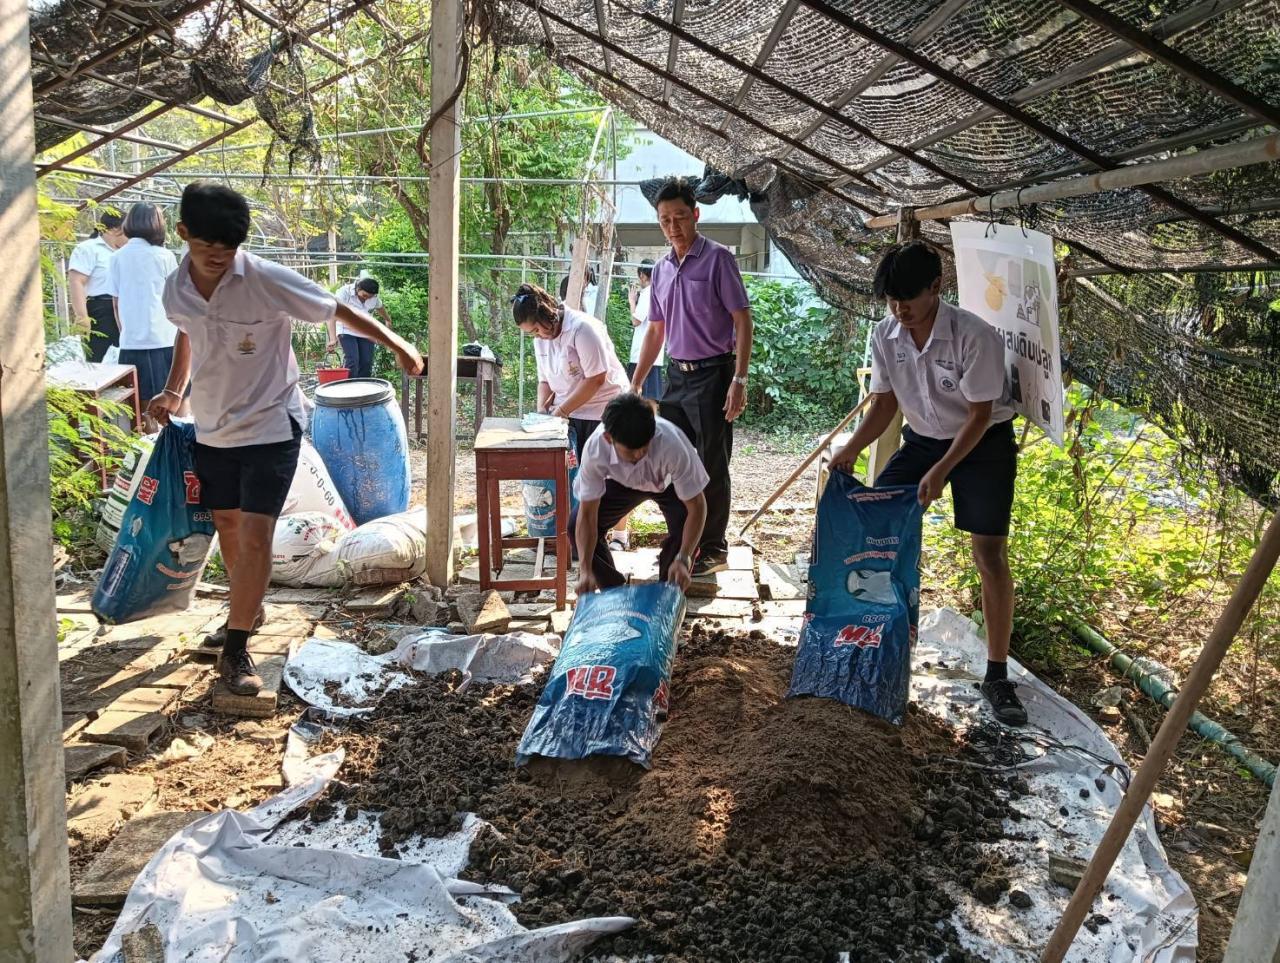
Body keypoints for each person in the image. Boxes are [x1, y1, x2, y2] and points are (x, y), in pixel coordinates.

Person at [149, 183, 424, 697]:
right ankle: (246, 612)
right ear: (184, 234)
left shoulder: (264, 279)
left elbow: (335, 310)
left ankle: (234, 650)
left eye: (227, 251)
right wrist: (171, 390)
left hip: (272, 426)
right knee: (228, 530)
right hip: (212, 429)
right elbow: (187, 331)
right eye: (208, 249)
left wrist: (398, 341)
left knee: (254, 536)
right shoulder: (175, 288)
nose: (218, 260)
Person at [828, 241, 1025, 726]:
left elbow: (979, 417)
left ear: (937, 287)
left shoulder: (974, 336)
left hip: (983, 444)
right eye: (892, 302)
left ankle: (997, 673)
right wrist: (852, 447)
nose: (900, 311)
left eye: (909, 301)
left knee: (989, 552)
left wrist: (942, 471)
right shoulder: (886, 333)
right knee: (877, 525)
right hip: (922, 440)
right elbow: (885, 404)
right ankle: (872, 642)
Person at [629, 177, 753, 576]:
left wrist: (739, 379)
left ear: (695, 215)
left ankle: (713, 548)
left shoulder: (718, 259)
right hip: (676, 378)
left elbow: (742, 320)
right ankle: (683, 542)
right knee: (670, 460)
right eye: (665, 220)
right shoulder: (661, 270)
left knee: (711, 463)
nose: (673, 226)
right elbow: (655, 330)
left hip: (714, 374)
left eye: (680, 217)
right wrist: (635, 384)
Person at [572, 393, 708, 594]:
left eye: (644, 448)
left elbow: (697, 506)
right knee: (575, 523)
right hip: (619, 482)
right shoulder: (596, 449)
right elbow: (587, 514)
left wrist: (684, 556)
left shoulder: (672, 442)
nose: (638, 455)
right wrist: (584, 569)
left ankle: (668, 593)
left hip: (668, 485)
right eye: (631, 451)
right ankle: (614, 593)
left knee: (684, 525)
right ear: (609, 438)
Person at [511, 282, 629, 465]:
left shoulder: (582, 329)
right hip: (570, 414)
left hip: (602, 412)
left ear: (546, 312)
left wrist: (561, 411)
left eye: (536, 329)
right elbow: (545, 381)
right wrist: (542, 410)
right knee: (572, 476)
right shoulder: (540, 341)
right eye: (531, 334)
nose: (537, 335)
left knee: (602, 477)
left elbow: (596, 378)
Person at [107, 203, 183, 424]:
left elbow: (115, 301)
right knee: (176, 398)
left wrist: (126, 332)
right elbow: (177, 298)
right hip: (165, 338)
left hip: (132, 343)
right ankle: (173, 446)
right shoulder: (164, 256)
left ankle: (146, 448)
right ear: (157, 225)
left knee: (138, 405)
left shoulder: (116, 257)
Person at [67, 211, 126, 362]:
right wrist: (82, 316)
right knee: (99, 358)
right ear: (114, 229)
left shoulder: (126, 252)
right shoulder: (89, 249)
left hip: (124, 308)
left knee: (125, 358)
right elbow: (77, 281)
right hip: (100, 309)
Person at [327, 276, 394, 378]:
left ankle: (364, 389)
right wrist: (332, 339)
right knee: (353, 360)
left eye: (370, 297)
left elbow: (382, 311)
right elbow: (332, 316)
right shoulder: (344, 293)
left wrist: (388, 321)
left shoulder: (373, 298)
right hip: (346, 330)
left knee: (366, 362)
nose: (366, 298)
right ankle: (349, 389)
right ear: (358, 289)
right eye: (364, 296)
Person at [626, 259, 662, 398]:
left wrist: (632, 302)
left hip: (642, 355)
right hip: (654, 355)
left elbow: (636, 320)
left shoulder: (647, 293)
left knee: (638, 398)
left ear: (642, 275)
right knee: (650, 398)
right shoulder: (659, 292)